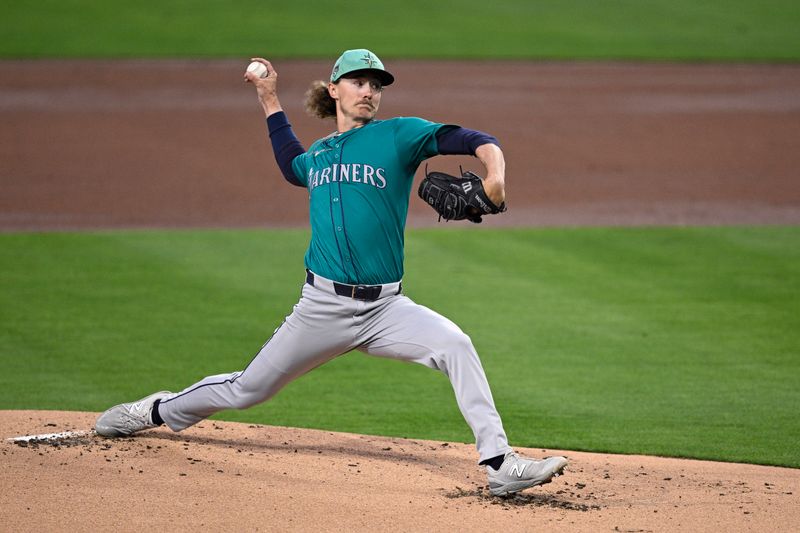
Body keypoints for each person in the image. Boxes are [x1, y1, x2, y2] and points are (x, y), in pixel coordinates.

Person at [95, 49, 568, 497]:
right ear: (335, 90)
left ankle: (500, 463)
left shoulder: (400, 135)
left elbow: (475, 139)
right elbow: (289, 163)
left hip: (386, 309)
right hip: (321, 308)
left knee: (455, 344)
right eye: (358, 82)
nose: (368, 90)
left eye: (375, 84)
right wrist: (269, 97)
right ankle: (155, 410)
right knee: (247, 390)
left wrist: (495, 177)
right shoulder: (319, 155)